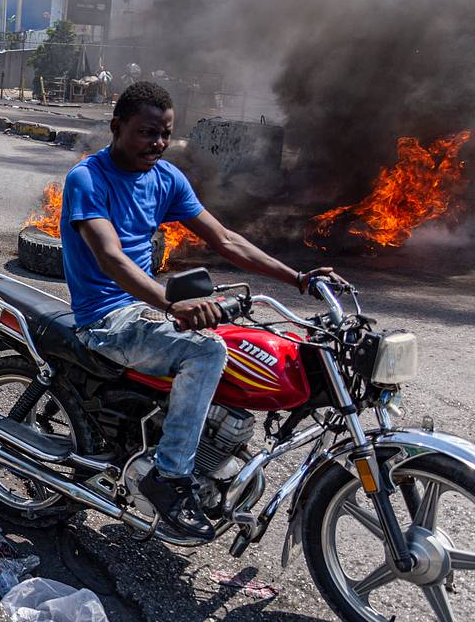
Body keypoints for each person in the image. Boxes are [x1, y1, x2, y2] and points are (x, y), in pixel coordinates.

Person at [62, 82, 339, 539]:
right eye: (147, 132)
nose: (158, 143)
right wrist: (172, 303)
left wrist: (299, 279)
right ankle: (169, 477)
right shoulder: (87, 179)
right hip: (107, 317)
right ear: (116, 128)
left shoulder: (166, 178)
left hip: (146, 309)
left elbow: (225, 239)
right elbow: (110, 257)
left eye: (166, 133)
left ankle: (206, 449)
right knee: (206, 352)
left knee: (245, 342)